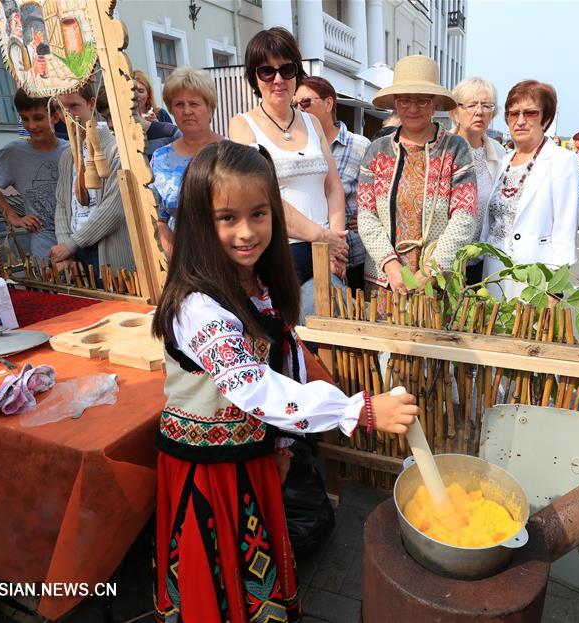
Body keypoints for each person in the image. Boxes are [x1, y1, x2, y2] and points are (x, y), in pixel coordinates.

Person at [150, 140, 417, 622]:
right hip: (210, 472)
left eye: (259, 214)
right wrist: (359, 409)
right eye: (226, 218)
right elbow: (255, 387)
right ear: (197, 220)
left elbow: (285, 357)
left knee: (253, 570)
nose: (247, 232)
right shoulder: (197, 306)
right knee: (216, 579)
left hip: (250, 456)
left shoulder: (254, 284)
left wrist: (284, 440)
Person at [229, 27, 348, 287]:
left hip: (327, 250)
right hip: (280, 252)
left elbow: (333, 186)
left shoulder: (313, 122)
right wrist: (321, 236)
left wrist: (336, 243)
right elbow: (259, 196)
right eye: (267, 71)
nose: (278, 79)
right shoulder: (242, 125)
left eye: (286, 69)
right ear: (254, 78)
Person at [357, 54, 478, 297]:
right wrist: (390, 264)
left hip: (438, 282)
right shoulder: (377, 151)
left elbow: (464, 218)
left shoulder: (456, 150)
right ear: (395, 102)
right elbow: (366, 214)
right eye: (404, 101)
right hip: (384, 280)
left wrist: (431, 270)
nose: (412, 108)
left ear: (433, 103)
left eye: (422, 101)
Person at [481, 80, 579, 299]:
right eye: (513, 113)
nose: (520, 121)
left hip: (536, 276)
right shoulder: (503, 160)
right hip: (494, 273)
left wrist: (554, 290)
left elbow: (565, 230)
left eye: (530, 113)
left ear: (545, 119)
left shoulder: (562, 160)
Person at [51, 82, 135, 277]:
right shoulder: (66, 157)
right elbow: (62, 204)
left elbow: (114, 209)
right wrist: (65, 246)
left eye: (74, 106)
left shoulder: (116, 150)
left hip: (107, 251)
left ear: (91, 103)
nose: (69, 114)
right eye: (62, 108)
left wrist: (72, 243)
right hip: (74, 250)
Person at [295, 76, 370, 291]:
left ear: (329, 103)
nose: (300, 109)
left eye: (306, 102)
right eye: (296, 104)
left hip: (354, 255)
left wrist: (365, 215)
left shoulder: (359, 145)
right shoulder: (301, 148)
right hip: (311, 253)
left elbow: (378, 192)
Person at [0, 88, 69, 260]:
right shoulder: (14, 152)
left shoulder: (71, 150)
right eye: (25, 119)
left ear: (55, 117)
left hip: (77, 241)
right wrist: (13, 217)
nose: (31, 126)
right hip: (45, 245)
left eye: (38, 118)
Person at [151, 67, 223, 258]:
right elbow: (159, 219)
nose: (187, 111)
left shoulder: (231, 153)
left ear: (210, 108)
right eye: (179, 104)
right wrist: (177, 260)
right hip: (181, 259)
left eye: (194, 103)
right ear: (171, 110)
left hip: (227, 256)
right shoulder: (160, 158)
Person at [450, 76, 507, 284]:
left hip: (485, 260)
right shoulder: (442, 150)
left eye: (487, 105)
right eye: (472, 105)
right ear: (455, 112)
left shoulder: (500, 154)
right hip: (445, 259)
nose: (479, 111)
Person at [96, 85, 180, 160]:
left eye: (112, 116)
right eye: (105, 118)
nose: (110, 124)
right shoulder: (118, 148)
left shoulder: (171, 135)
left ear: (132, 107)